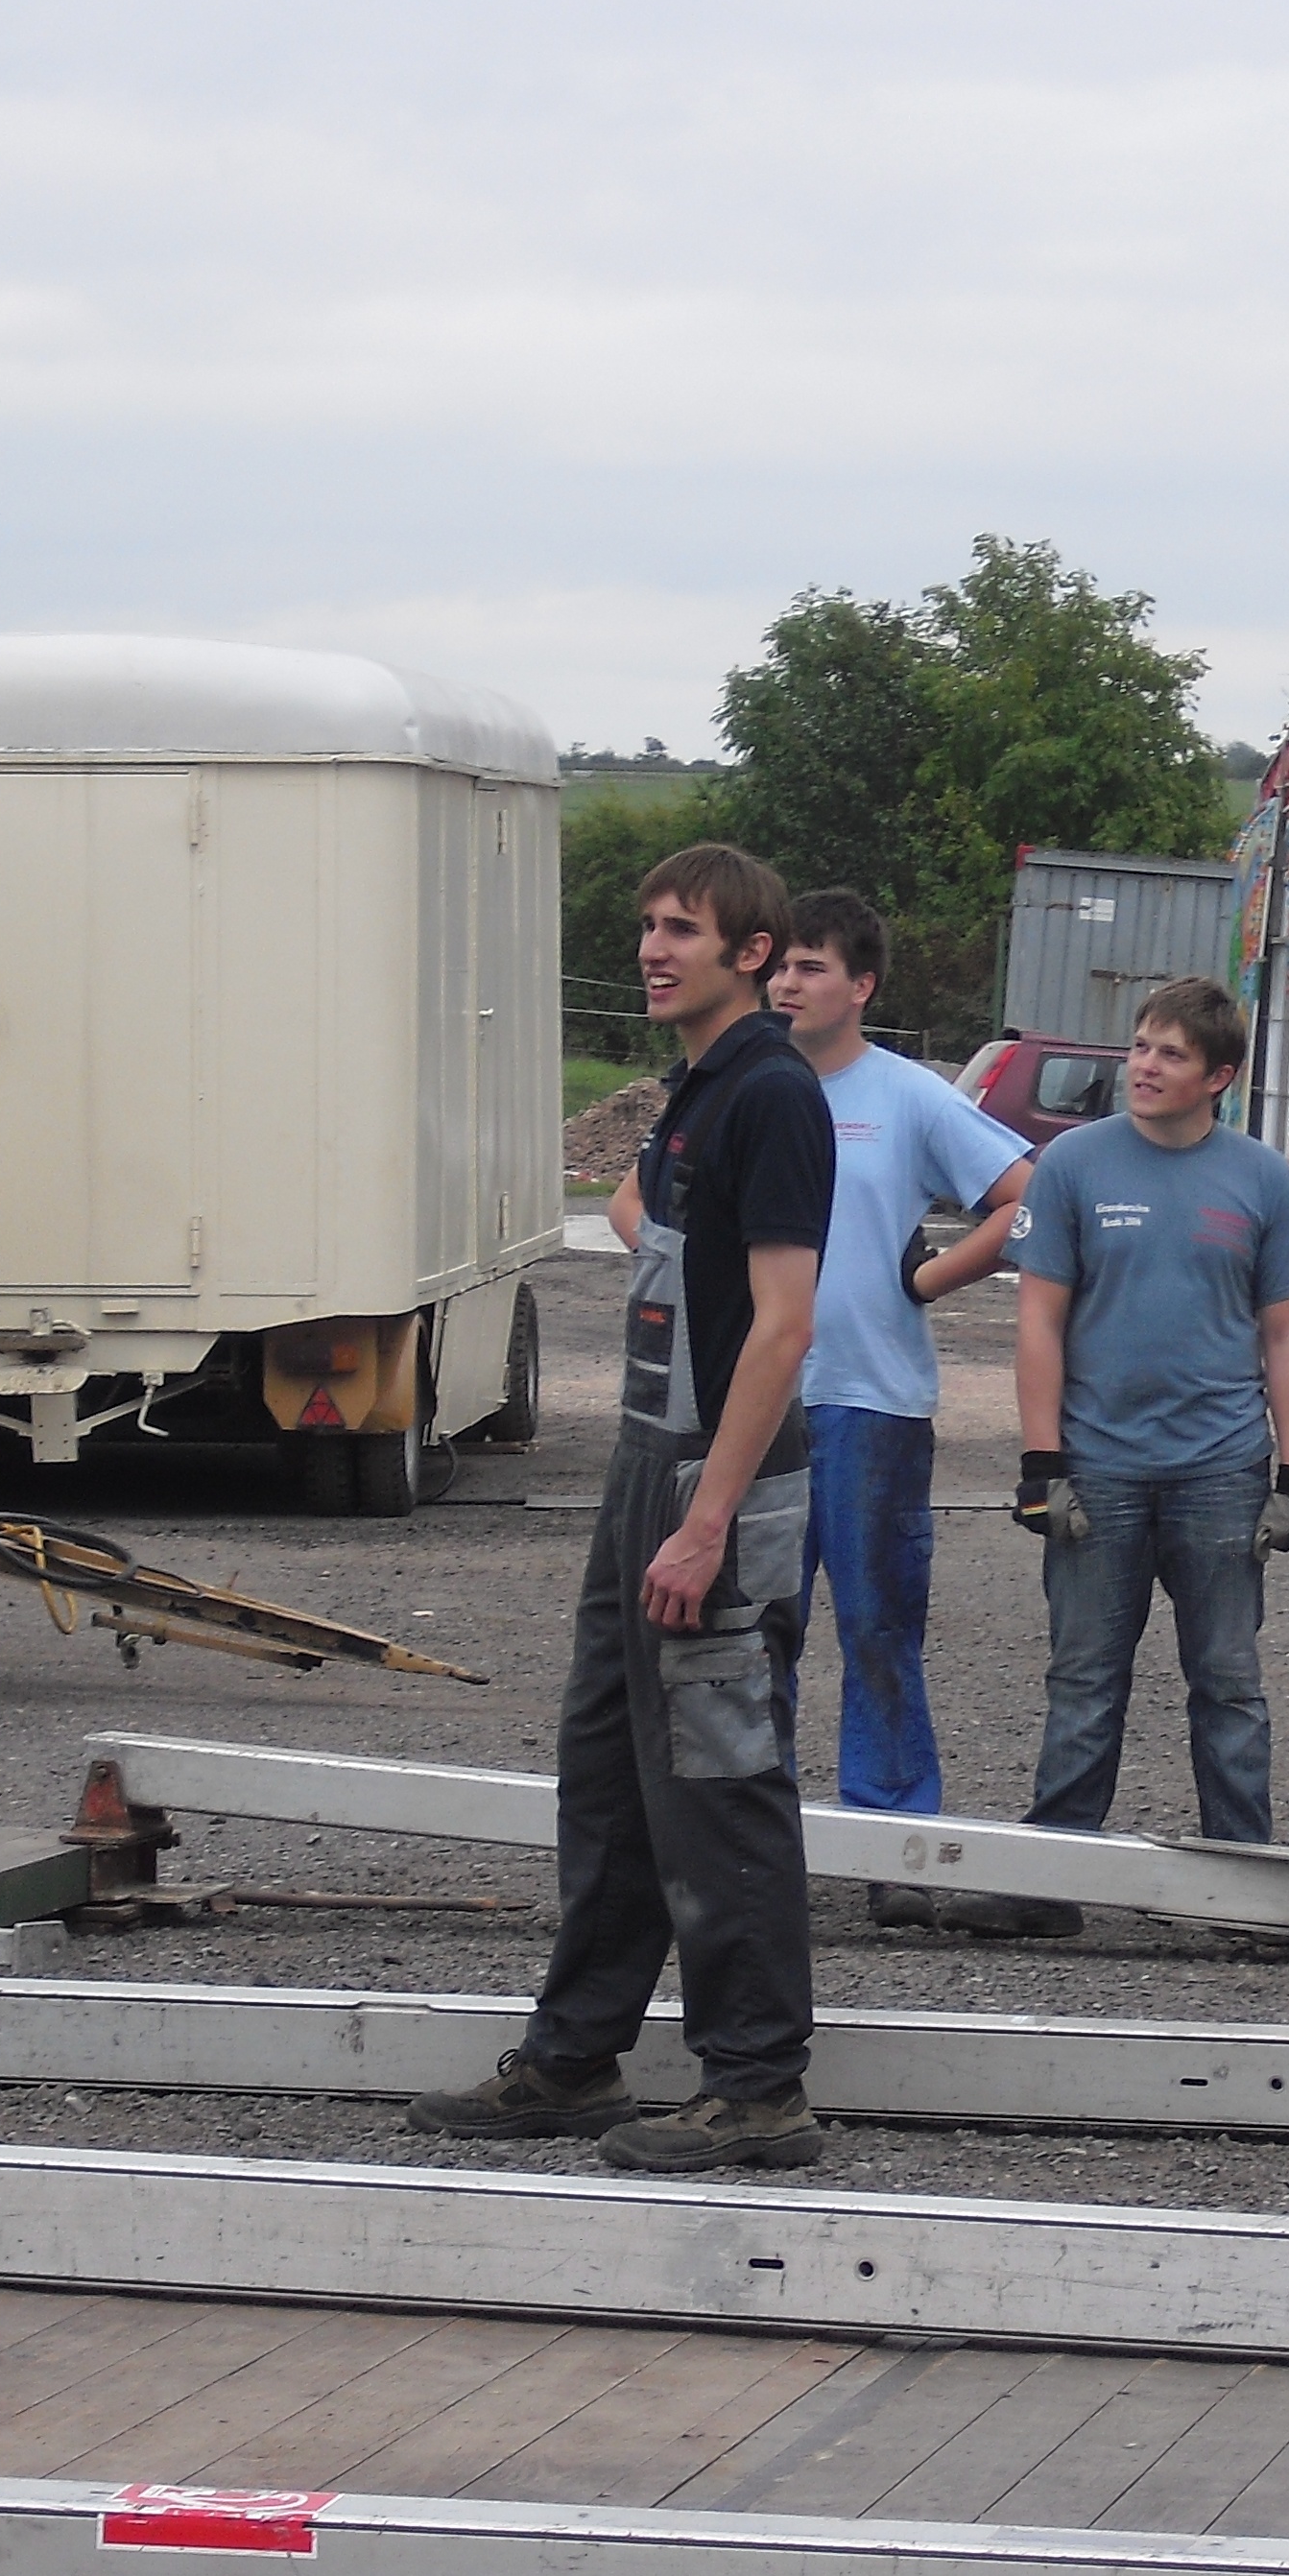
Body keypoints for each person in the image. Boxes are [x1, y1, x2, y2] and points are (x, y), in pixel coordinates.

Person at [407, 845, 834, 2172]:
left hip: (720, 1478)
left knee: (718, 1778)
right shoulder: (695, 1089)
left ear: (751, 954)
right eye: (648, 925)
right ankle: (574, 2058)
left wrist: (707, 1523)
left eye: (683, 930)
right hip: (649, 1463)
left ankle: (758, 2089)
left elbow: (784, 1327)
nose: (653, 948)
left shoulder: (772, 1095)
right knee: (609, 1774)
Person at [950, 977, 1289, 1937]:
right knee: (1084, 1680)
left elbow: (1288, 1336)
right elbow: (1039, 1319)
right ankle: (1050, 1884)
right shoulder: (1073, 1164)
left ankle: (1247, 1893)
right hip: (1098, 1472)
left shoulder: (1265, 1182)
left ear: (1219, 1077)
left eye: (1170, 1054)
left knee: (1228, 1683)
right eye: (1141, 1047)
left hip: (1221, 1473)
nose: (1144, 1068)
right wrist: (1041, 1465)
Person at [766, 887, 1031, 1921]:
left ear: (862, 986)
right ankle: (750, 1837)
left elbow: (1023, 1197)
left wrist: (928, 1280)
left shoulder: (909, 1097)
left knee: (877, 1625)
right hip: (755, 1404)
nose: (788, 983)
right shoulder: (744, 1087)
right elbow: (639, 1203)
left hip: (870, 1405)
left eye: (812, 967)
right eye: (779, 965)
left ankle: (893, 1845)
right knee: (755, 1630)